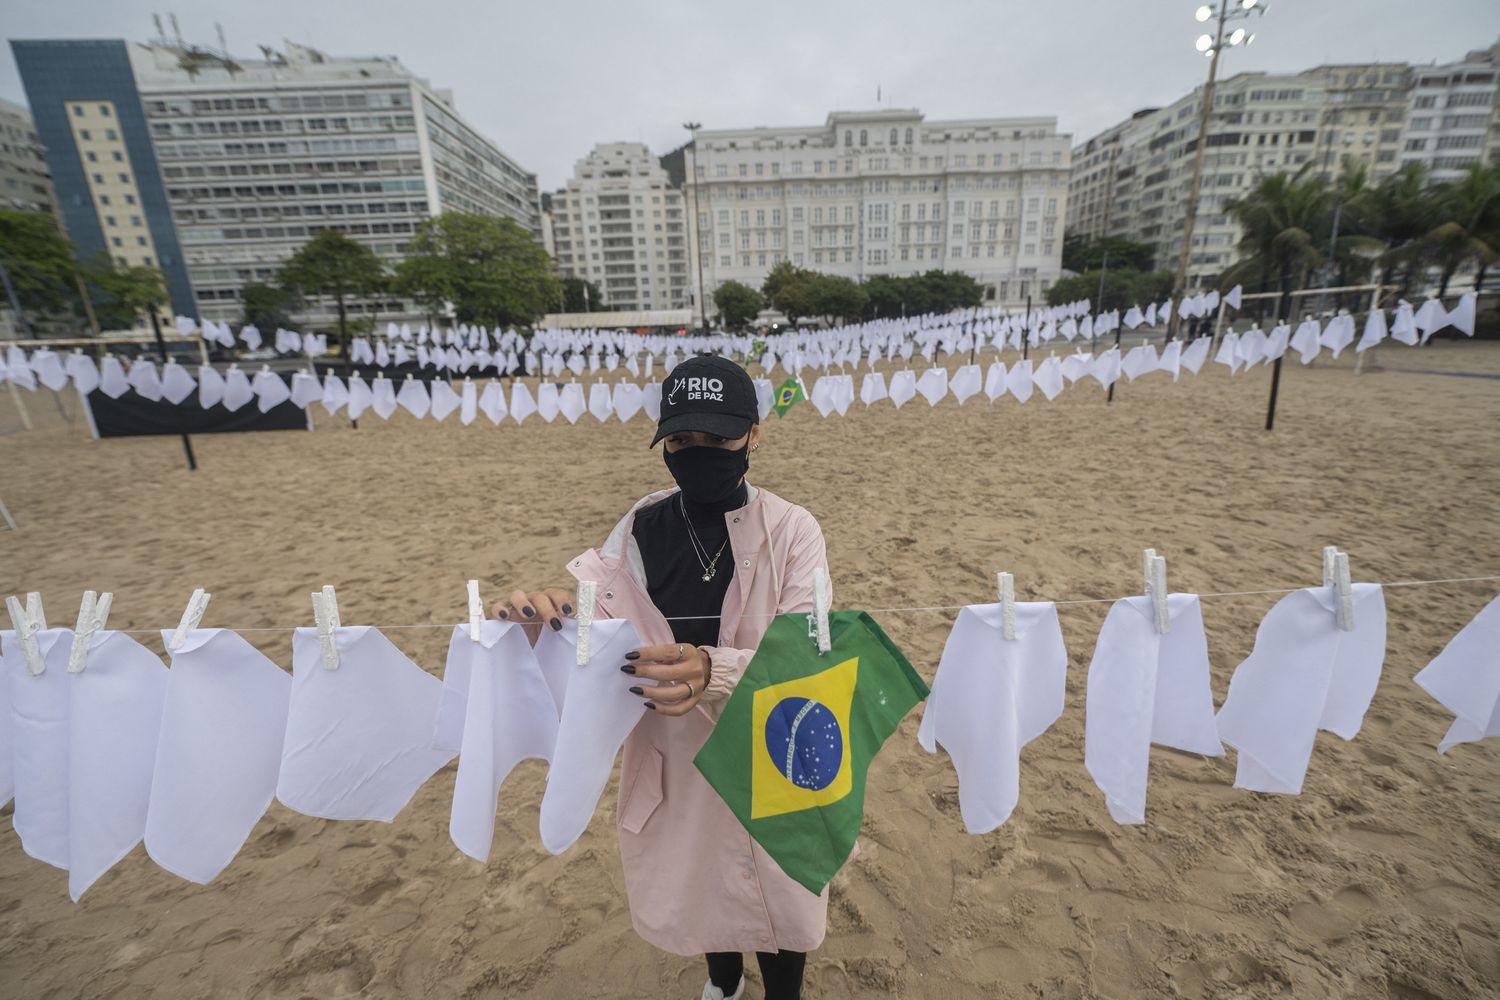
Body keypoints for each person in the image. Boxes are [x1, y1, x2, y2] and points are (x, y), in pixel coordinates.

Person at [495, 355, 832, 1000]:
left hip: (773, 745)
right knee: (699, 874)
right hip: (674, 748)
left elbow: (807, 652)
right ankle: (723, 984)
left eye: (717, 438)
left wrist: (715, 667)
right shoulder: (641, 527)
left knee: (783, 888)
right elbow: (591, 623)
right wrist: (539, 621)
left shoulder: (793, 530)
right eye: (681, 440)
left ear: (754, 435)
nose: (698, 452)